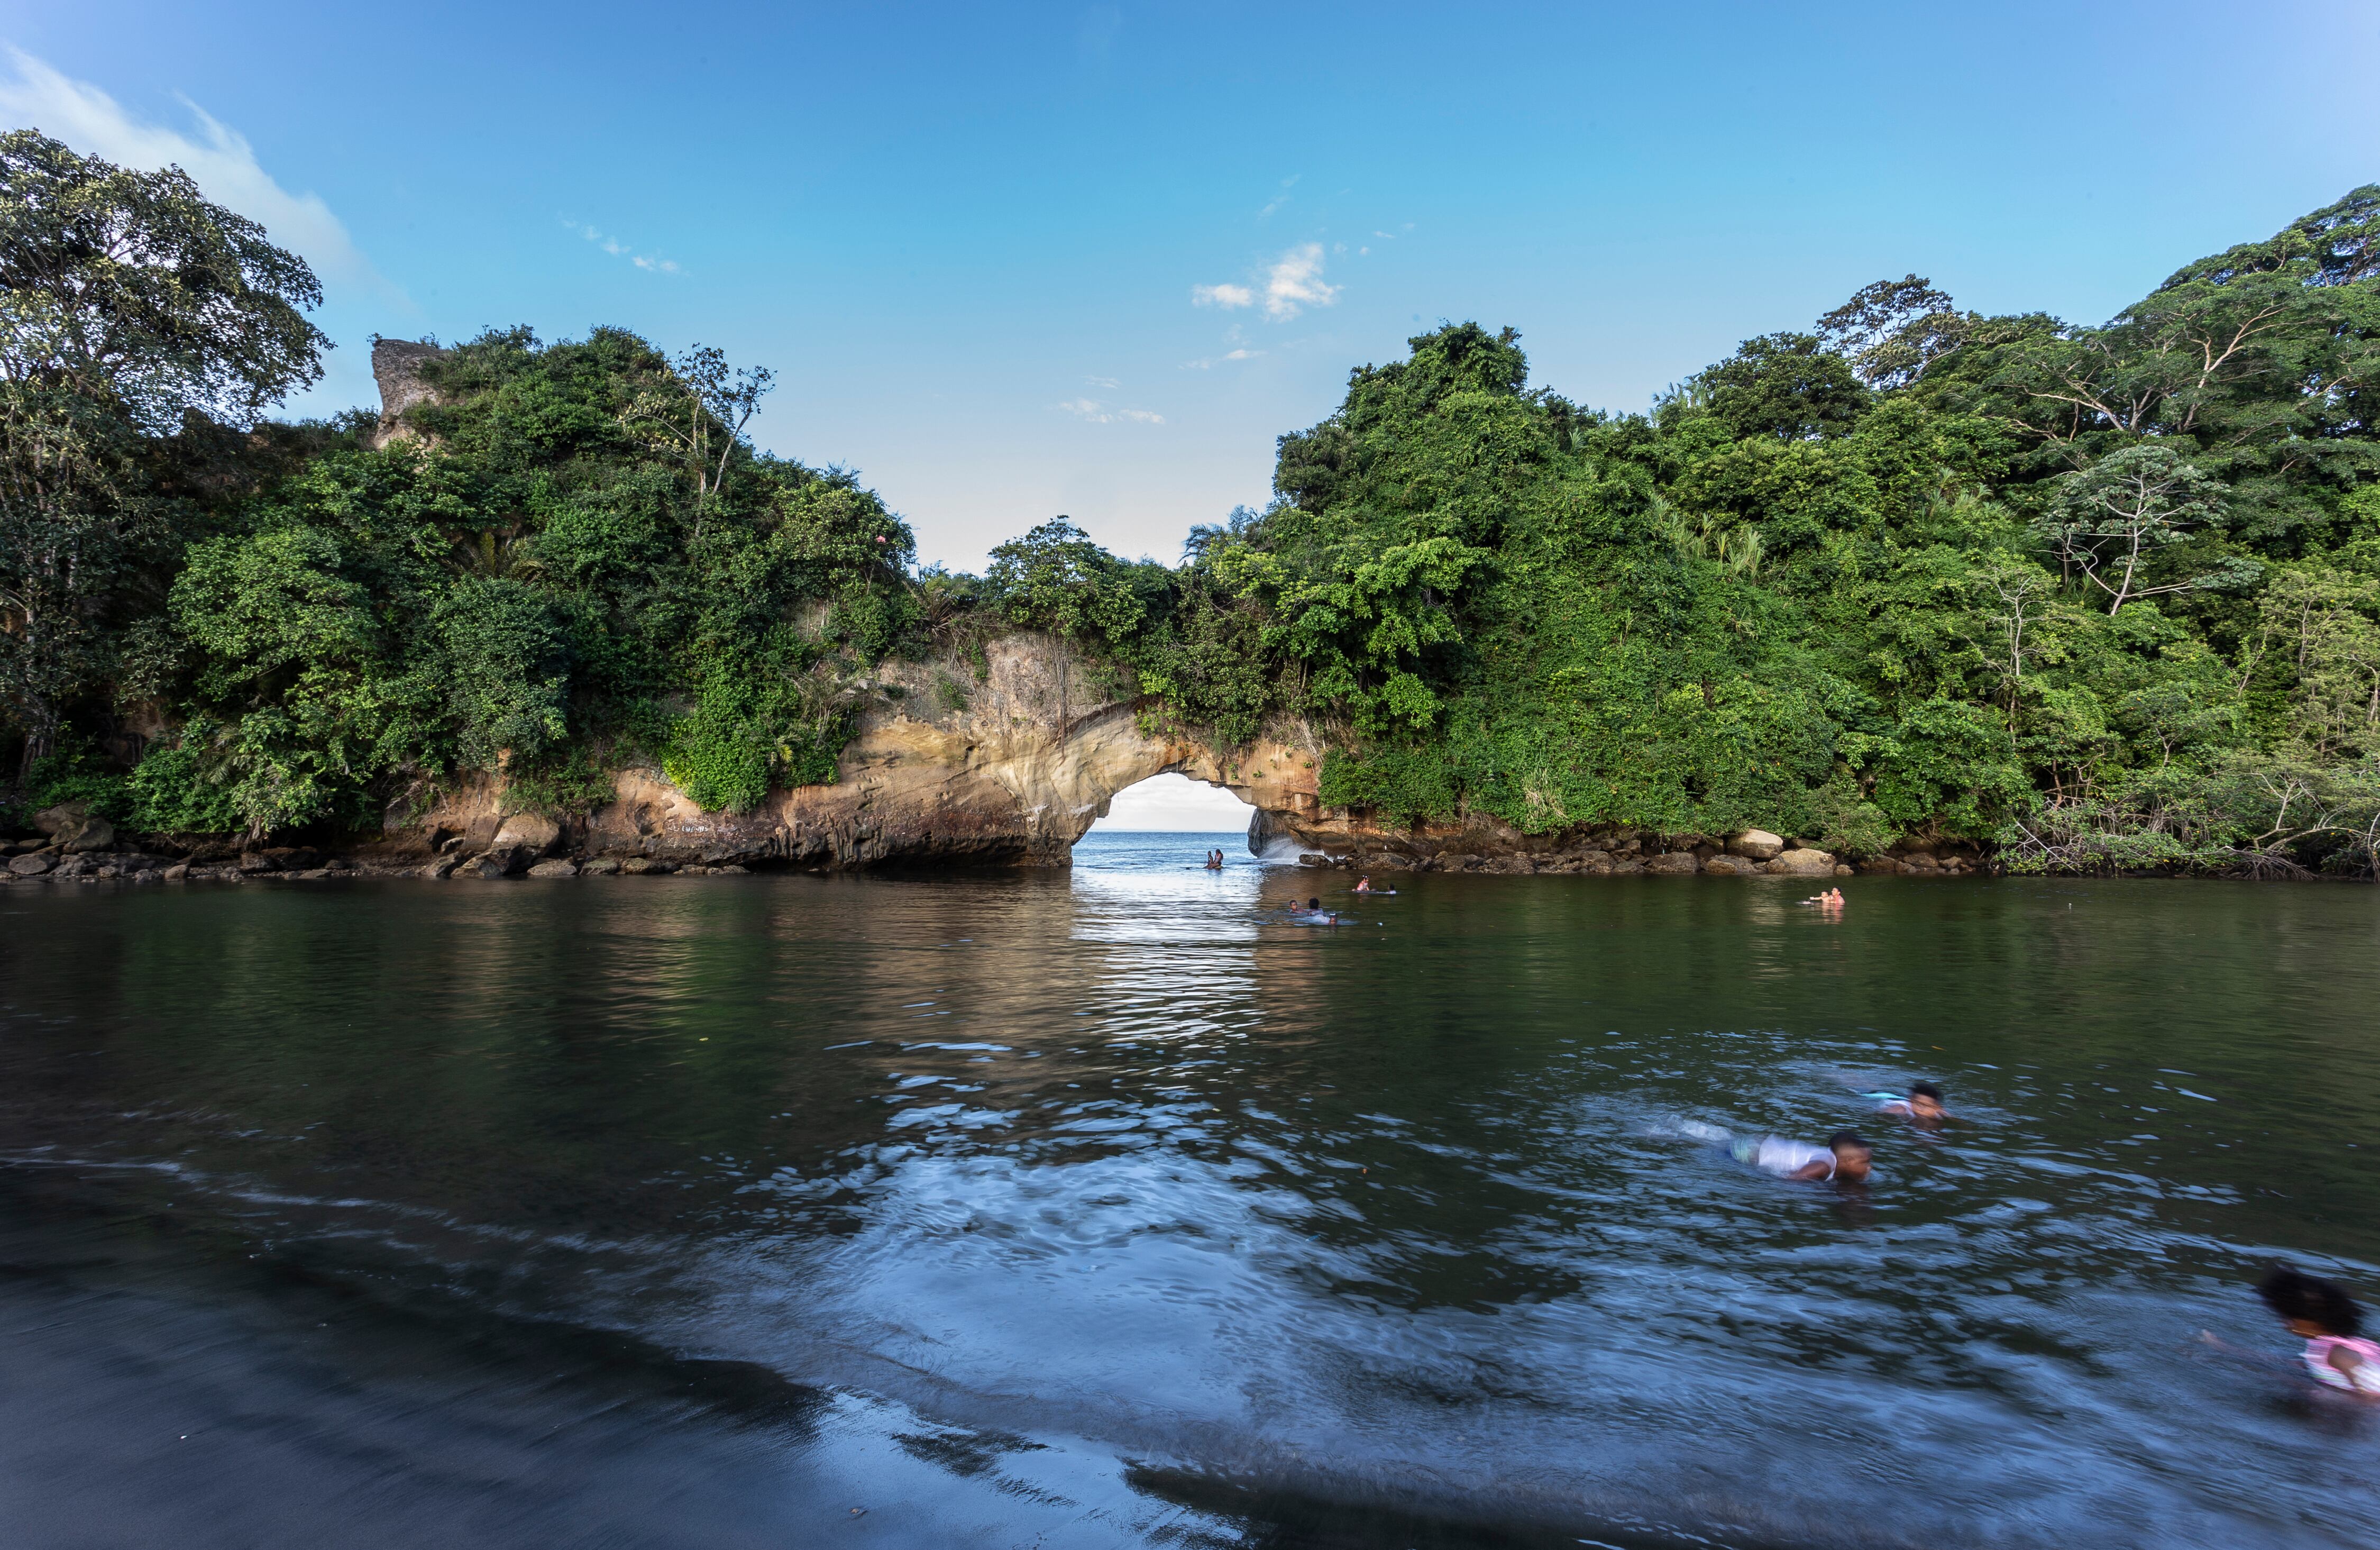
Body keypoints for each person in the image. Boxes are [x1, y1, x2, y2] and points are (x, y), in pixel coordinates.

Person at [2257, 1266, 2380, 1397]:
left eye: (2288, 1318)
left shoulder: (2341, 1355)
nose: (2284, 1324)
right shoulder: (2326, 1346)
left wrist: (2315, 1392)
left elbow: (2375, 1395)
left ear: (2315, 1324)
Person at [1731, 1129, 1872, 1182]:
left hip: (1757, 1143)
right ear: (1849, 1161)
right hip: (1750, 1153)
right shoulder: (1823, 1166)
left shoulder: (1828, 1159)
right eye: (1865, 1162)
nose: (1869, 1167)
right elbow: (1792, 1179)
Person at [1875, 1081, 1948, 1123]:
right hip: (1885, 1097)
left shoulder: (1939, 1111)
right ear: (1911, 1101)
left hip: (1900, 1097)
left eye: (1927, 1106)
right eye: (1917, 1104)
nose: (1921, 1109)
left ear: (1937, 1107)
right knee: (1873, 1090)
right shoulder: (1901, 1109)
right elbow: (1879, 1115)